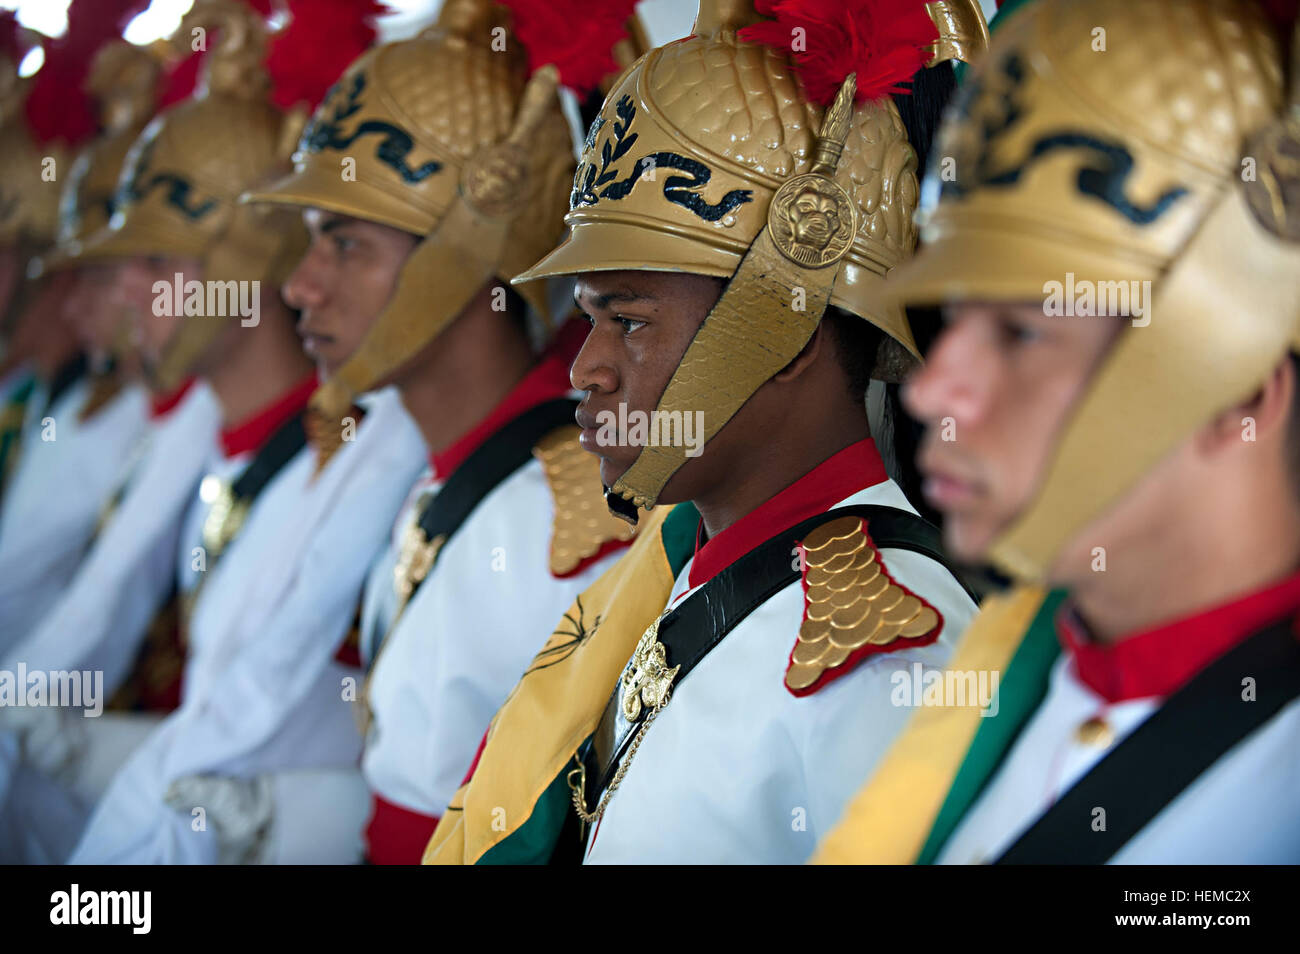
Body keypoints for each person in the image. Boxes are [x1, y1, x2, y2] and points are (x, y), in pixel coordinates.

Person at [425, 0, 988, 865]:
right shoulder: (677, 572)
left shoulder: (878, 660)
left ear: (790, 328)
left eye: (631, 321)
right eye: (588, 318)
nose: (586, 370)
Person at [814, 0, 1300, 864]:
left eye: (1025, 332)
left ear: (1241, 396)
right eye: (957, 318)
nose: (930, 392)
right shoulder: (1013, 676)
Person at [243, 0, 641, 864]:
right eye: (315, 242)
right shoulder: (447, 479)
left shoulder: (556, 522)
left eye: (345, 245)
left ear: (471, 247)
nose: (302, 288)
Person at [66, 0, 425, 865]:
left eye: (156, 263)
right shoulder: (219, 453)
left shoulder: (342, 469)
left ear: (239, 255)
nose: (124, 294)